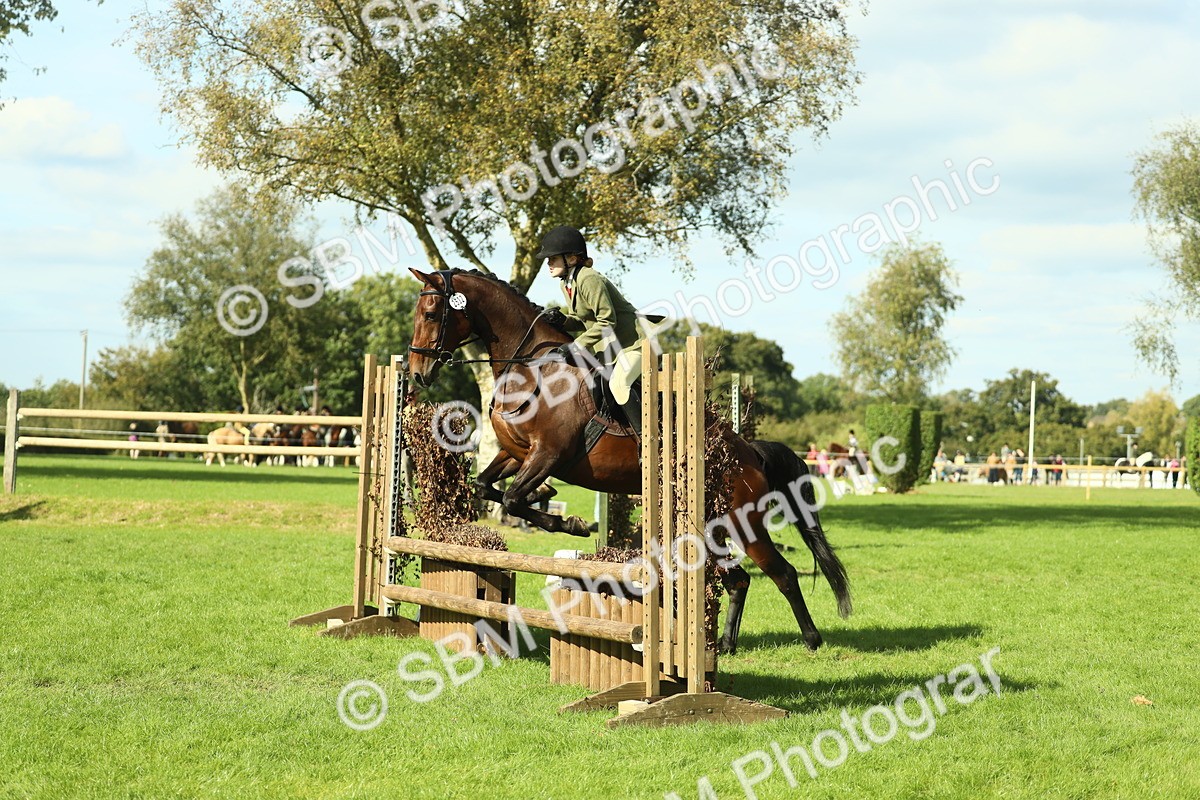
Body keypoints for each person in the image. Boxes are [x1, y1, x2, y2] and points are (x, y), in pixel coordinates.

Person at [535, 225, 648, 437]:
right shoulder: (567, 284)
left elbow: (607, 321)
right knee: (591, 384)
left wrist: (575, 346)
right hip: (613, 350)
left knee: (619, 384)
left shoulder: (588, 278)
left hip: (635, 345)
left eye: (552, 258)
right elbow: (585, 320)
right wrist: (563, 321)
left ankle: (650, 439)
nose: (548, 263)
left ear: (571, 258)